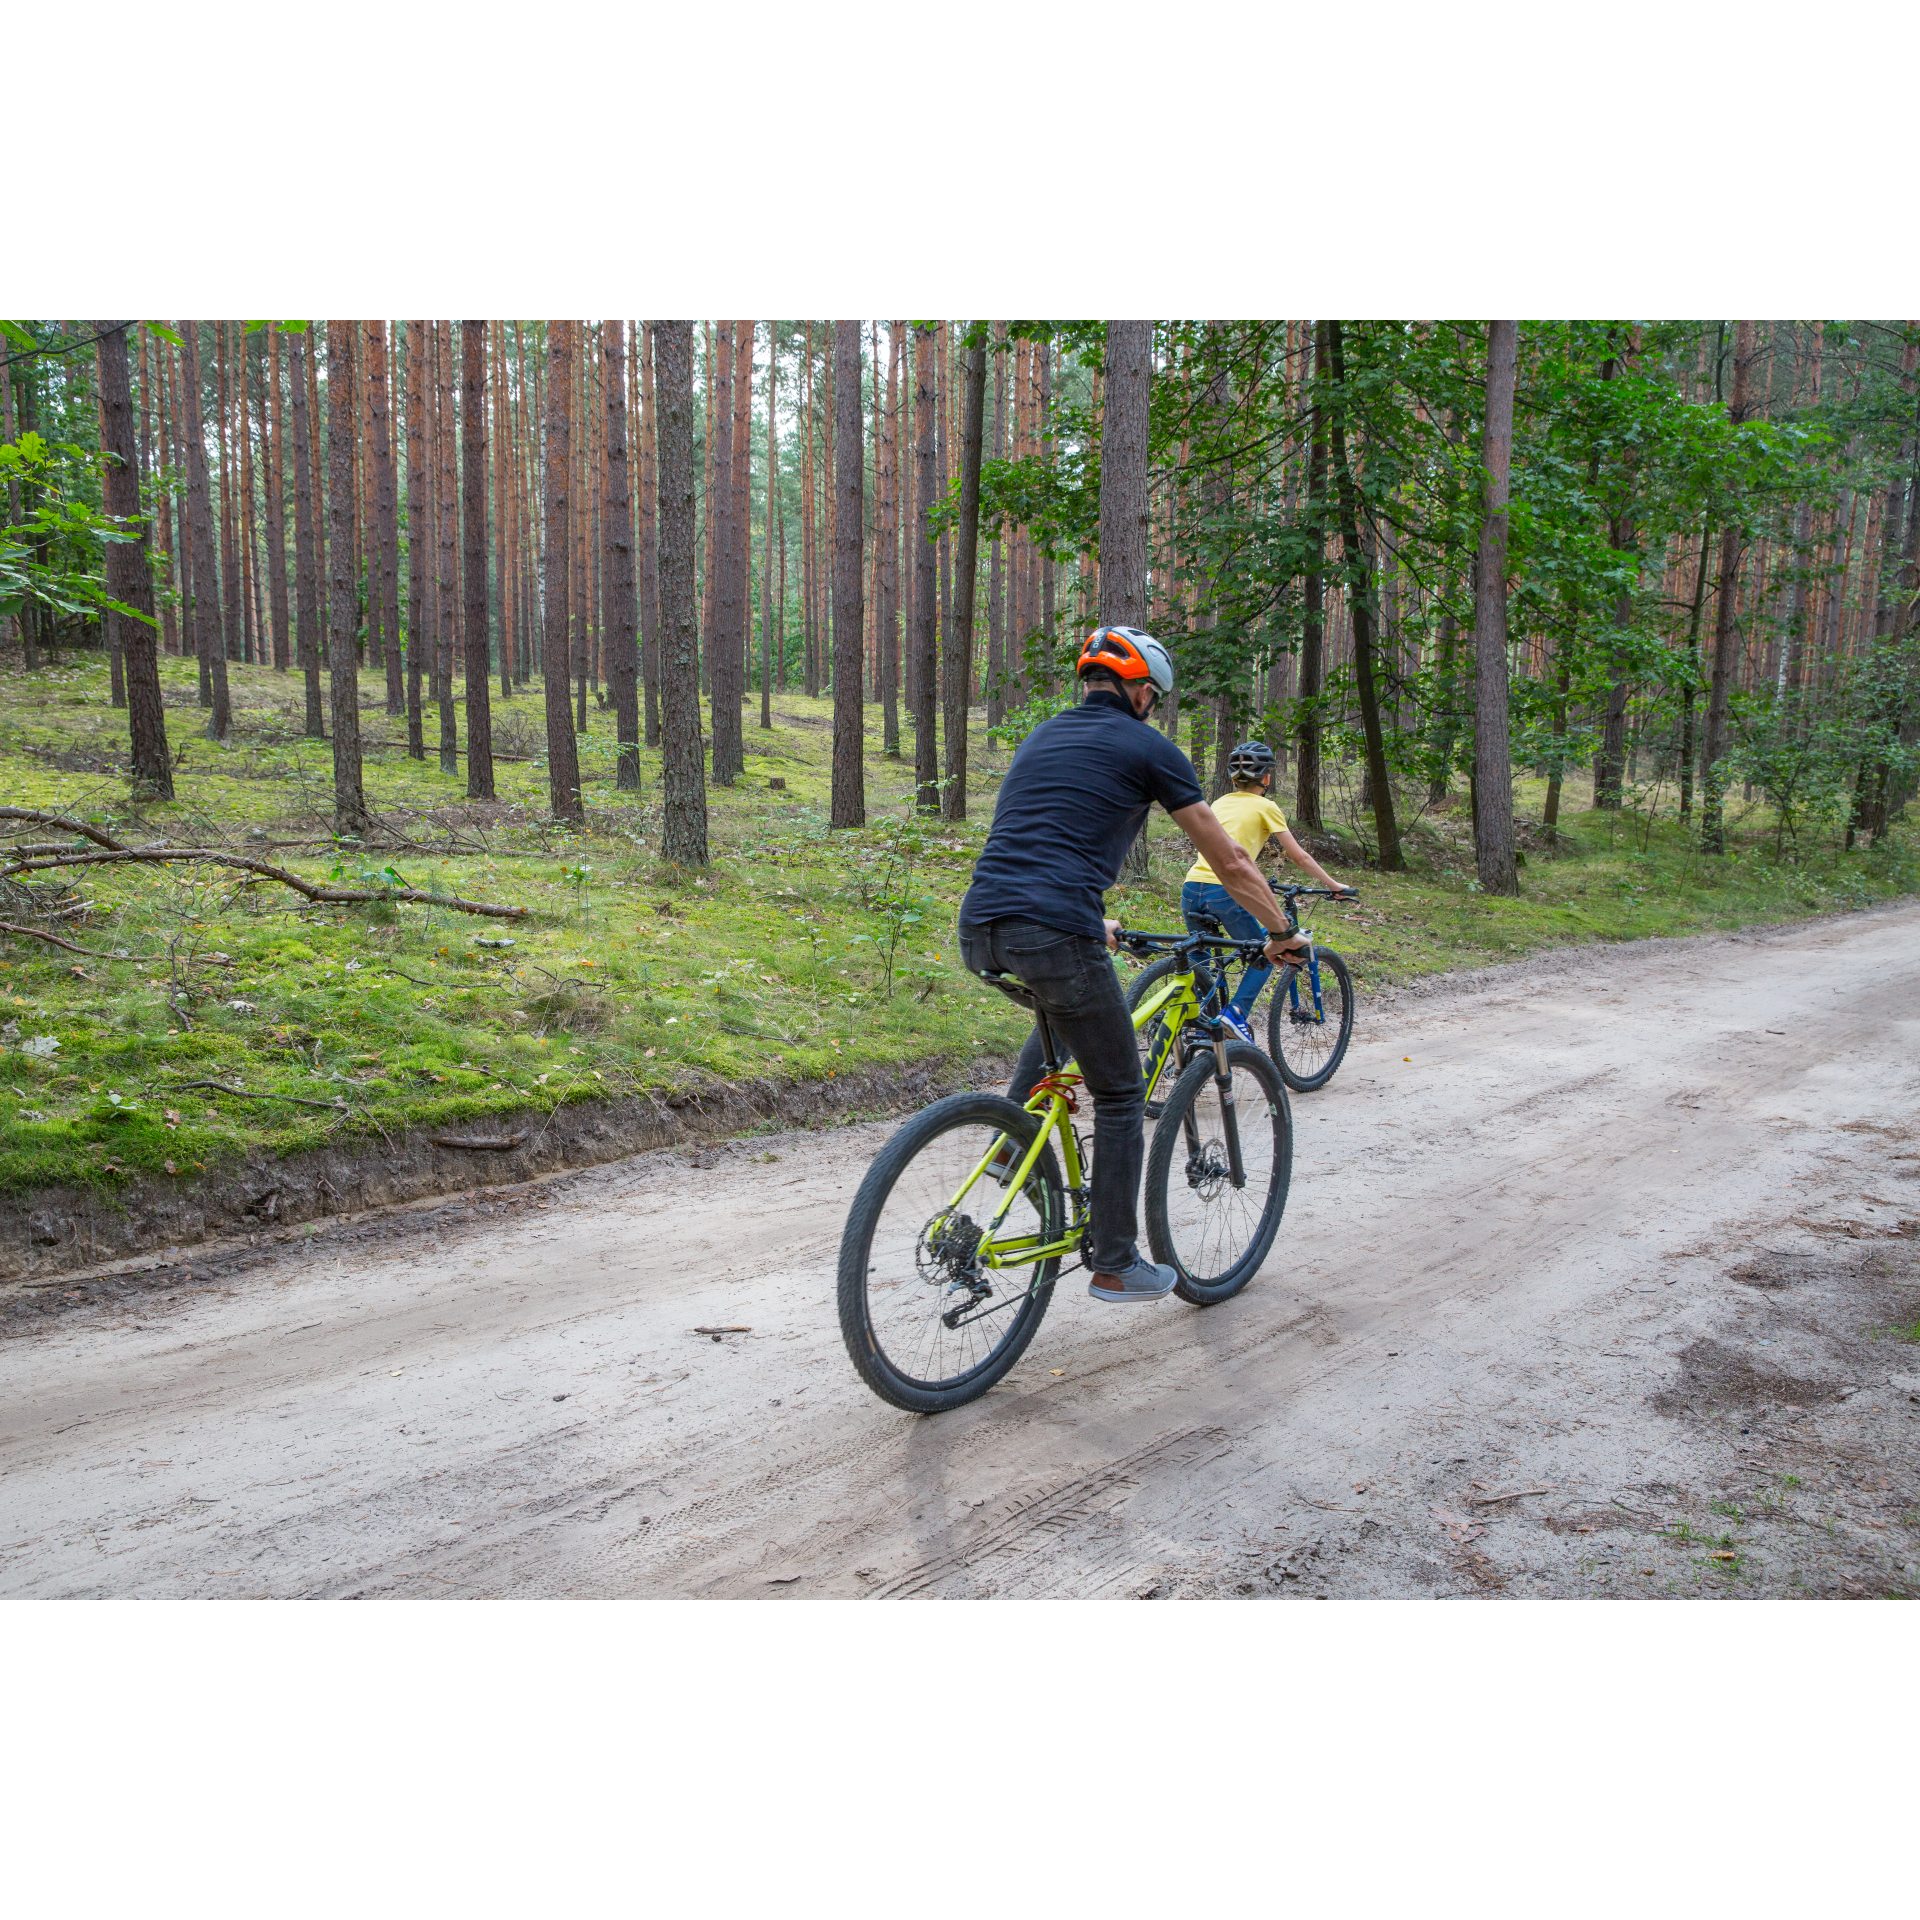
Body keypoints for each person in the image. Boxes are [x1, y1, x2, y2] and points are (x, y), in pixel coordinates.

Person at [958, 626, 1309, 1306]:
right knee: (1120, 1093)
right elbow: (1233, 862)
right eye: (1155, 694)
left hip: (982, 925)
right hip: (1054, 927)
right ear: (1142, 691)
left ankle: (1009, 1144)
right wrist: (1280, 931)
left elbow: (1038, 841)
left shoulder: (1043, 736)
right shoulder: (1151, 747)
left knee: (1062, 1009)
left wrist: (1095, 922)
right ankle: (1116, 1261)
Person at [1183, 740, 1353, 1046]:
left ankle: (1195, 1027)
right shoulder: (1266, 806)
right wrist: (1333, 885)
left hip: (1193, 888)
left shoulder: (1219, 802)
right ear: (1267, 778)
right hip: (1228, 890)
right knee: (1268, 949)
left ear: (1233, 778)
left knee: (1199, 962)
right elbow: (1299, 856)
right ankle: (1235, 1014)